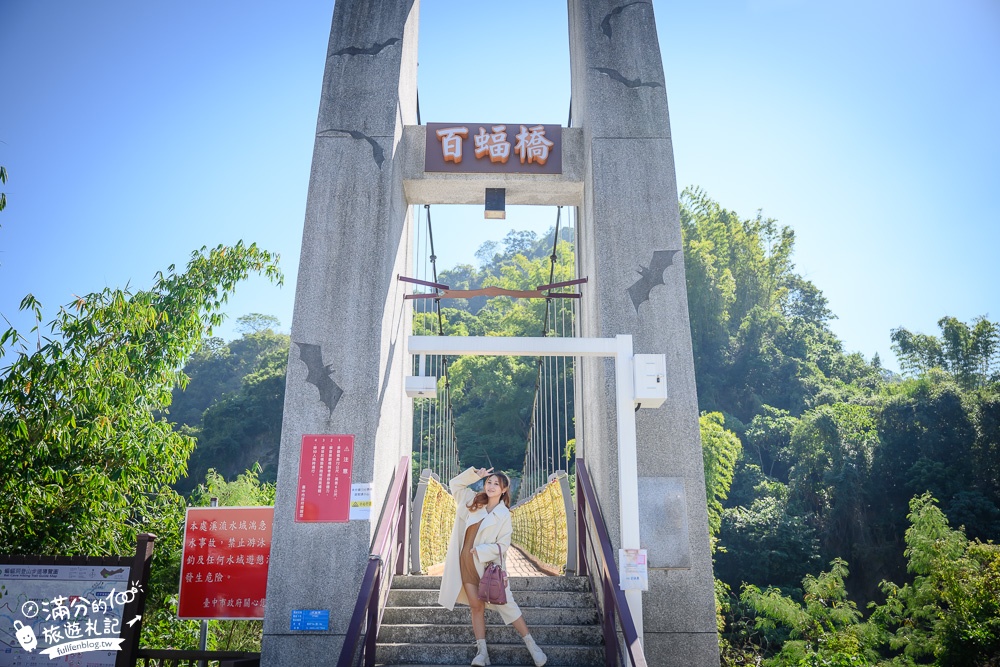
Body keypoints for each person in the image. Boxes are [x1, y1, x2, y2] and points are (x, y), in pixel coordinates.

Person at [437, 466, 547, 667]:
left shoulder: (504, 515)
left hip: (488, 567)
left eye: (497, 483)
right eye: (489, 482)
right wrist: (474, 475)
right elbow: (455, 485)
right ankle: (482, 653)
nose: (491, 485)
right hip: (466, 563)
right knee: (476, 607)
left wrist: (482, 551)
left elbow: (503, 545)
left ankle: (533, 647)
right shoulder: (474, 501)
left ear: (504, 490)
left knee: (509, 607)